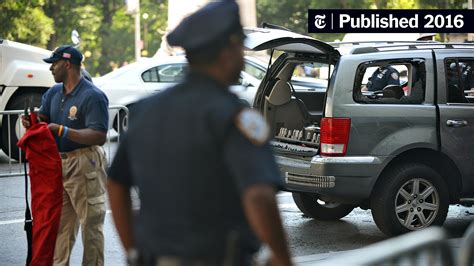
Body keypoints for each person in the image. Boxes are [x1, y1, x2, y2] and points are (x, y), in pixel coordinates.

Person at [107, 1, 292, 266]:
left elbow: (115, 183)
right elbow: (259, 196)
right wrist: (284, 260)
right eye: (240, 48)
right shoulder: (235, 116)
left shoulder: (144, 112)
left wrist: (132, 251)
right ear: (227, 52)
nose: (242, 57)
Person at [22, 45, 109, 265]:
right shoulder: (53, 92)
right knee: (61, 227)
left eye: (54, 63)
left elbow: (99, 135)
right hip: (58, 165)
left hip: (85, 162)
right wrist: (32, 123)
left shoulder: (93, 96)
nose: (51, 68)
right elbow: (44, 119)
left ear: (68, 64)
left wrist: (61, 130)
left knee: (91, 225)